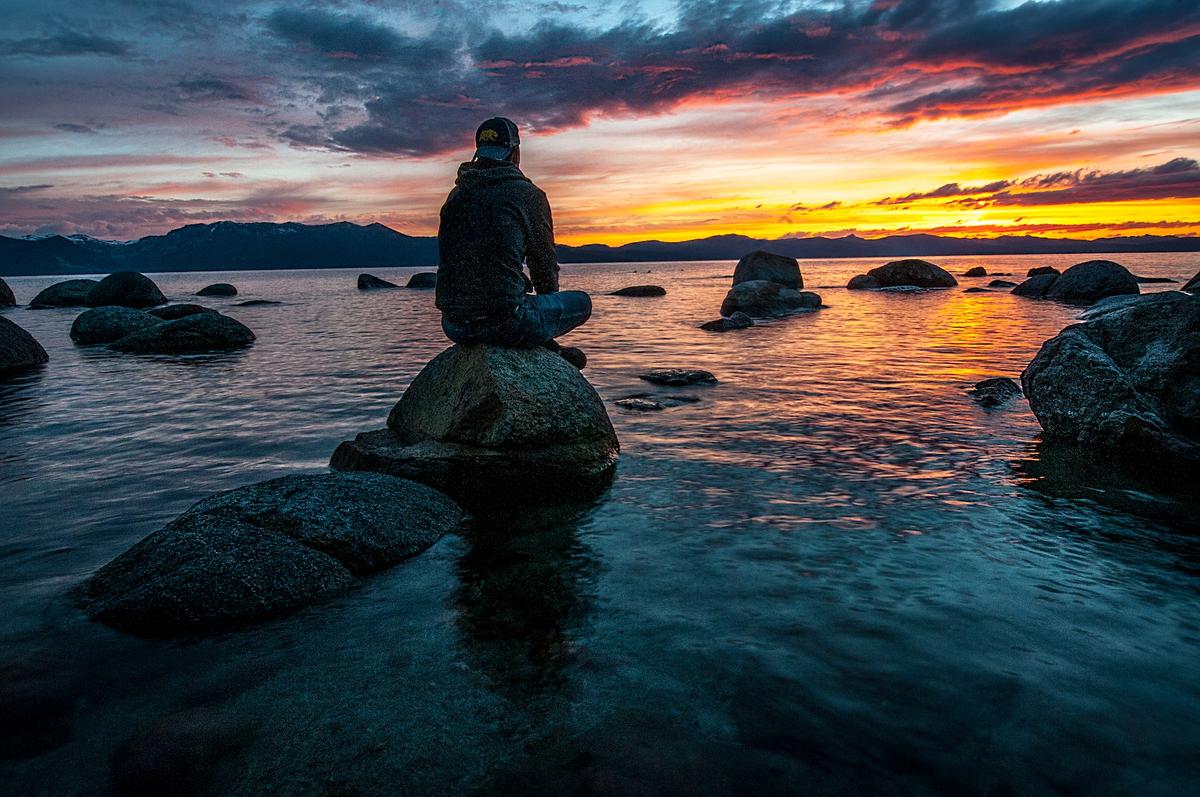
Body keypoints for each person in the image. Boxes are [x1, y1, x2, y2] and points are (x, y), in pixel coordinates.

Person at [435, 116, 591, 369]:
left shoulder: (455, 196)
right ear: (515, 153)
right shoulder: (527, 195)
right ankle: (545, 346)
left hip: (453, 325)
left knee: (514, 297)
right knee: (582, 302)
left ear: (479, 153)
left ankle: (543, 345)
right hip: (507, 322)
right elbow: (543, 264)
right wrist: (544, 320)